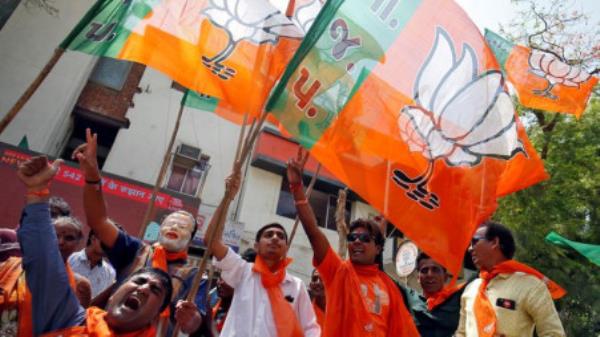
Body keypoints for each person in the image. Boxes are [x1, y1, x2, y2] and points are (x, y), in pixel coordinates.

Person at [72, 128, 211, 336]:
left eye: (182, 227)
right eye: (170, 223)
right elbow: (98, 221)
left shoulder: (195, 276)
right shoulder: (135, 250)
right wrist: (92, 176)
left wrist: (193, 320)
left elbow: (197, 324)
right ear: (159, 229)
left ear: (190, 241)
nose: (174, 227)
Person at [15, 155, 173, 336]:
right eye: (139, 281)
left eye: (155, 290)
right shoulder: (68, 317)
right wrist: (37, 191)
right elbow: (44, 258)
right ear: (114, 293)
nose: (143, 288)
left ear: (157, 315)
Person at [287, 149, 418, 337]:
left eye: (365, 239)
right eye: (352, 237)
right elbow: (313, 232)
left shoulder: (389, 286)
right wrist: (297, 188)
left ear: (378, 248)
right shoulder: (338, 272)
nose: (357, 241)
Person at [205, 169, 320, 337]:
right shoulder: (242, 270)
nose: (275, 238)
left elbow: (311, 329)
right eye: (269, 235)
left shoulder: (296, 286)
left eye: (280, 237)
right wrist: (227, 197)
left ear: (286, 249)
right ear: (257, 246)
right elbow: (212, 241)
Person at [455, 221, 566, 337]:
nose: (470, 249)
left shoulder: (530, 286)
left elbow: (554, 334)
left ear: (494, 242)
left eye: (474, 241)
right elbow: (462, 333)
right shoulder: (471, 289)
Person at [399, 253, 468, 337]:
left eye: (435, 270)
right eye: (424, 270)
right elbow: (383, 276)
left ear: (445, 277)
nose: (430, 275)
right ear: (418, 278)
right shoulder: (410, 298)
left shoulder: (459, 296)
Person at [68, 230, 117, 298]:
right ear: (93, 239)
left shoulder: (110, 273)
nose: (109, 246)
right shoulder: (69, 259)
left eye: (113, 244)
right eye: (106, 241)